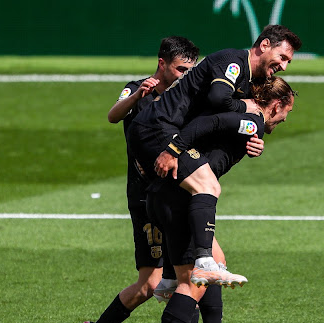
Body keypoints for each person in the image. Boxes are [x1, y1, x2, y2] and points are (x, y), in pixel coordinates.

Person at [73, 36, 259, 323]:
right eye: (179, 69)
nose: (185, 75)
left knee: (204, 270)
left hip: (175, 191)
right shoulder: (140, 90)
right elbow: (114, 116)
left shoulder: (185, 98)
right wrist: (136, 97)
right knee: (149, 285)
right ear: (162, 64)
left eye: (190, 69)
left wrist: (248, 135)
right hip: (146, 197)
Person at [142, 76, 297, 323]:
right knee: (193, 284)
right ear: (276, 105)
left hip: (169, 197)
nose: (284, 119)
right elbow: (204, 126)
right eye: (286, 112)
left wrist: (252, 140)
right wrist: (174, 149)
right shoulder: (250, 118)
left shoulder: (251, 124)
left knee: (216, 260)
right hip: (175, 201)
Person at [128, 25, 302, 287]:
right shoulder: (233, 60)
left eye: (288, 62)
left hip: (167, 130)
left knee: (183, 195)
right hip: (158, 127)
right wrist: (244, 106)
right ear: (265, 45)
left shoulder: (248, 79)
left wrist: (255, 140)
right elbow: (220, 99)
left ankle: (170, 278)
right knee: (207, 185)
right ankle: (204, 263)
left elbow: (227, 121)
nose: (284, 66)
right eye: (283, 57)